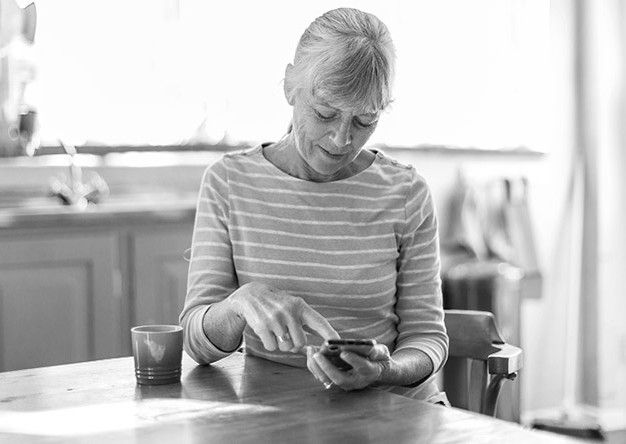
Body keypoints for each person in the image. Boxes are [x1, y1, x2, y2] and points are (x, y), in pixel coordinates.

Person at [179, 7, 448, 403]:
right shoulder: (229, 182)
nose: (341, 139)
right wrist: (238, 305)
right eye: (325, 113)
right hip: (279, 416)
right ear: (290, 85)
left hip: (396, 411)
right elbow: (195, 343)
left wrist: (383, 371)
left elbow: (427, 338)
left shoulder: (407, 192)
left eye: (364, 121)